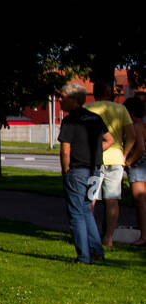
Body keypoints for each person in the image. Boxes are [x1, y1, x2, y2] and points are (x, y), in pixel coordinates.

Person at [58, 81, 114, 264]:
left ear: (73, 100)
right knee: (86, 210)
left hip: (77, 170)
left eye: (63, 97)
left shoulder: (70, 121)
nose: (59, 100)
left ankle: (83, 256)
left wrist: (65, 170)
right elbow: (110, 140)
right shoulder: (94, 118)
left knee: (76, 213)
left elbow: (65, 150)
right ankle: (97, 251)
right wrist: (95, 151)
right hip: (94, 170)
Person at [85, 79, 132, 249]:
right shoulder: (120, 109)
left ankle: (90, 235)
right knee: (112, 200)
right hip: (115, 158)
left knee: (91, 199)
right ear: (108, 93)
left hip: (93, 158)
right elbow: (132, 136)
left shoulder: (87, 109)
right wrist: (124, 155)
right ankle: (109, 238)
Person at [122, 95, 146, 247]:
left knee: (140, 202)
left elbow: (140, 148)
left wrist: (128, 162)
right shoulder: (142, 124)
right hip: (141, 166)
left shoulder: (136, 126)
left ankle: (143, 236)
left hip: (138, 167)